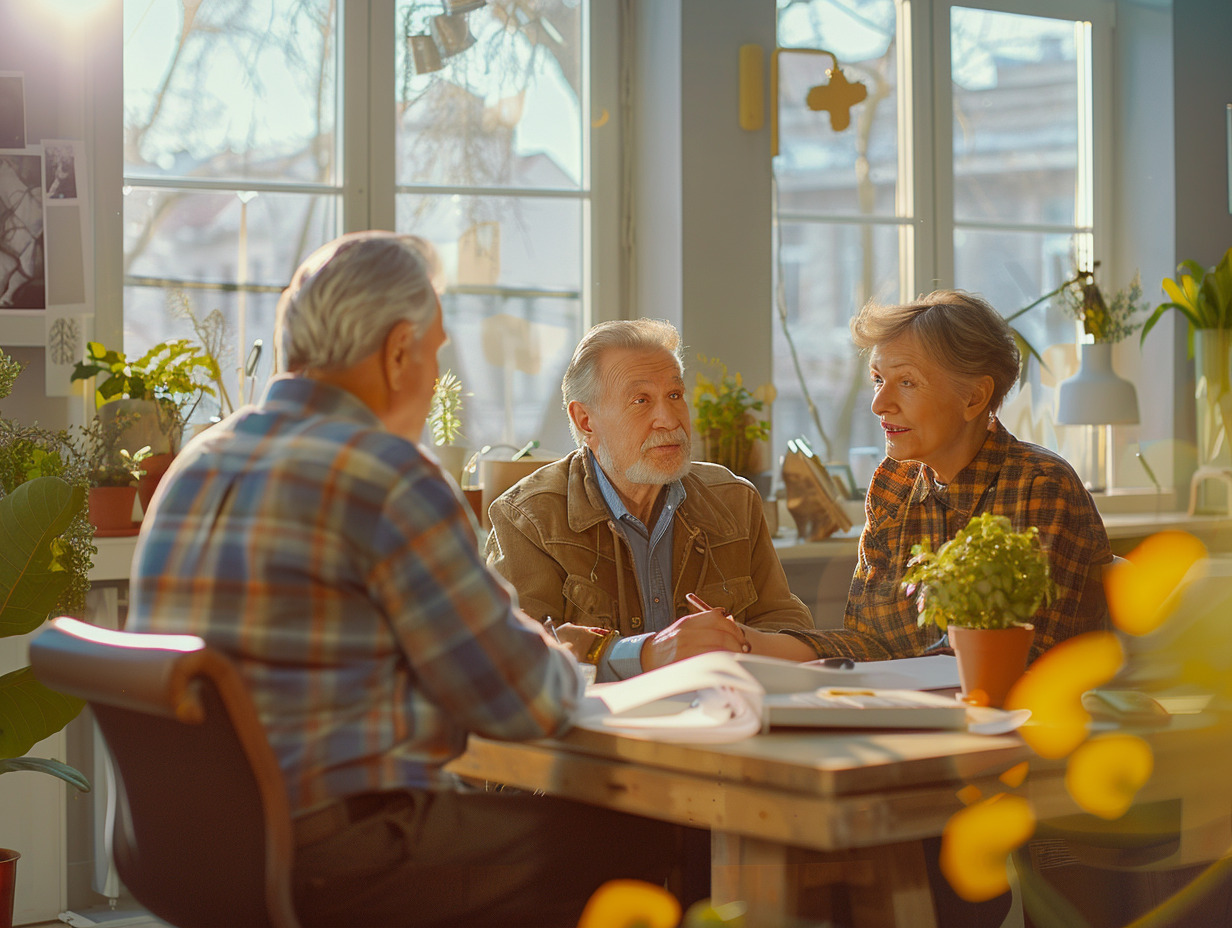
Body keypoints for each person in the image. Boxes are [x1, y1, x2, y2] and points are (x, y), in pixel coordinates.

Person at [127, 231, 674, 928]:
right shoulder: (385, 474)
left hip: (189, 855)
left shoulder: (198, 463)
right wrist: (575, 661)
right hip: (340, 858)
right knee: (655, 842)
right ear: (396, 352)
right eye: (437, 351)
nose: (435, 371)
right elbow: (521, 704)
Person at [485, 318, 819, 682]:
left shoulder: (735, 500)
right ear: (585, 421)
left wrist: (738, 642)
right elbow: (512, 660)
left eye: (674, 396)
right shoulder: (527, 518)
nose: (669, 420)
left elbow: (788, 624)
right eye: (641, 400)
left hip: (720, 719)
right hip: (597, 731)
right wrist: (643, 654)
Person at [804, 289, 1112, 663]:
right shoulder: (892, 484)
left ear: (974, 398)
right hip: (914, 709)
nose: (878, 404)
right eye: (877, 379)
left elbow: (1018, 659)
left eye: (906, 382)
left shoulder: (1040, 487)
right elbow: (868, 642)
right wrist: (753, 645)